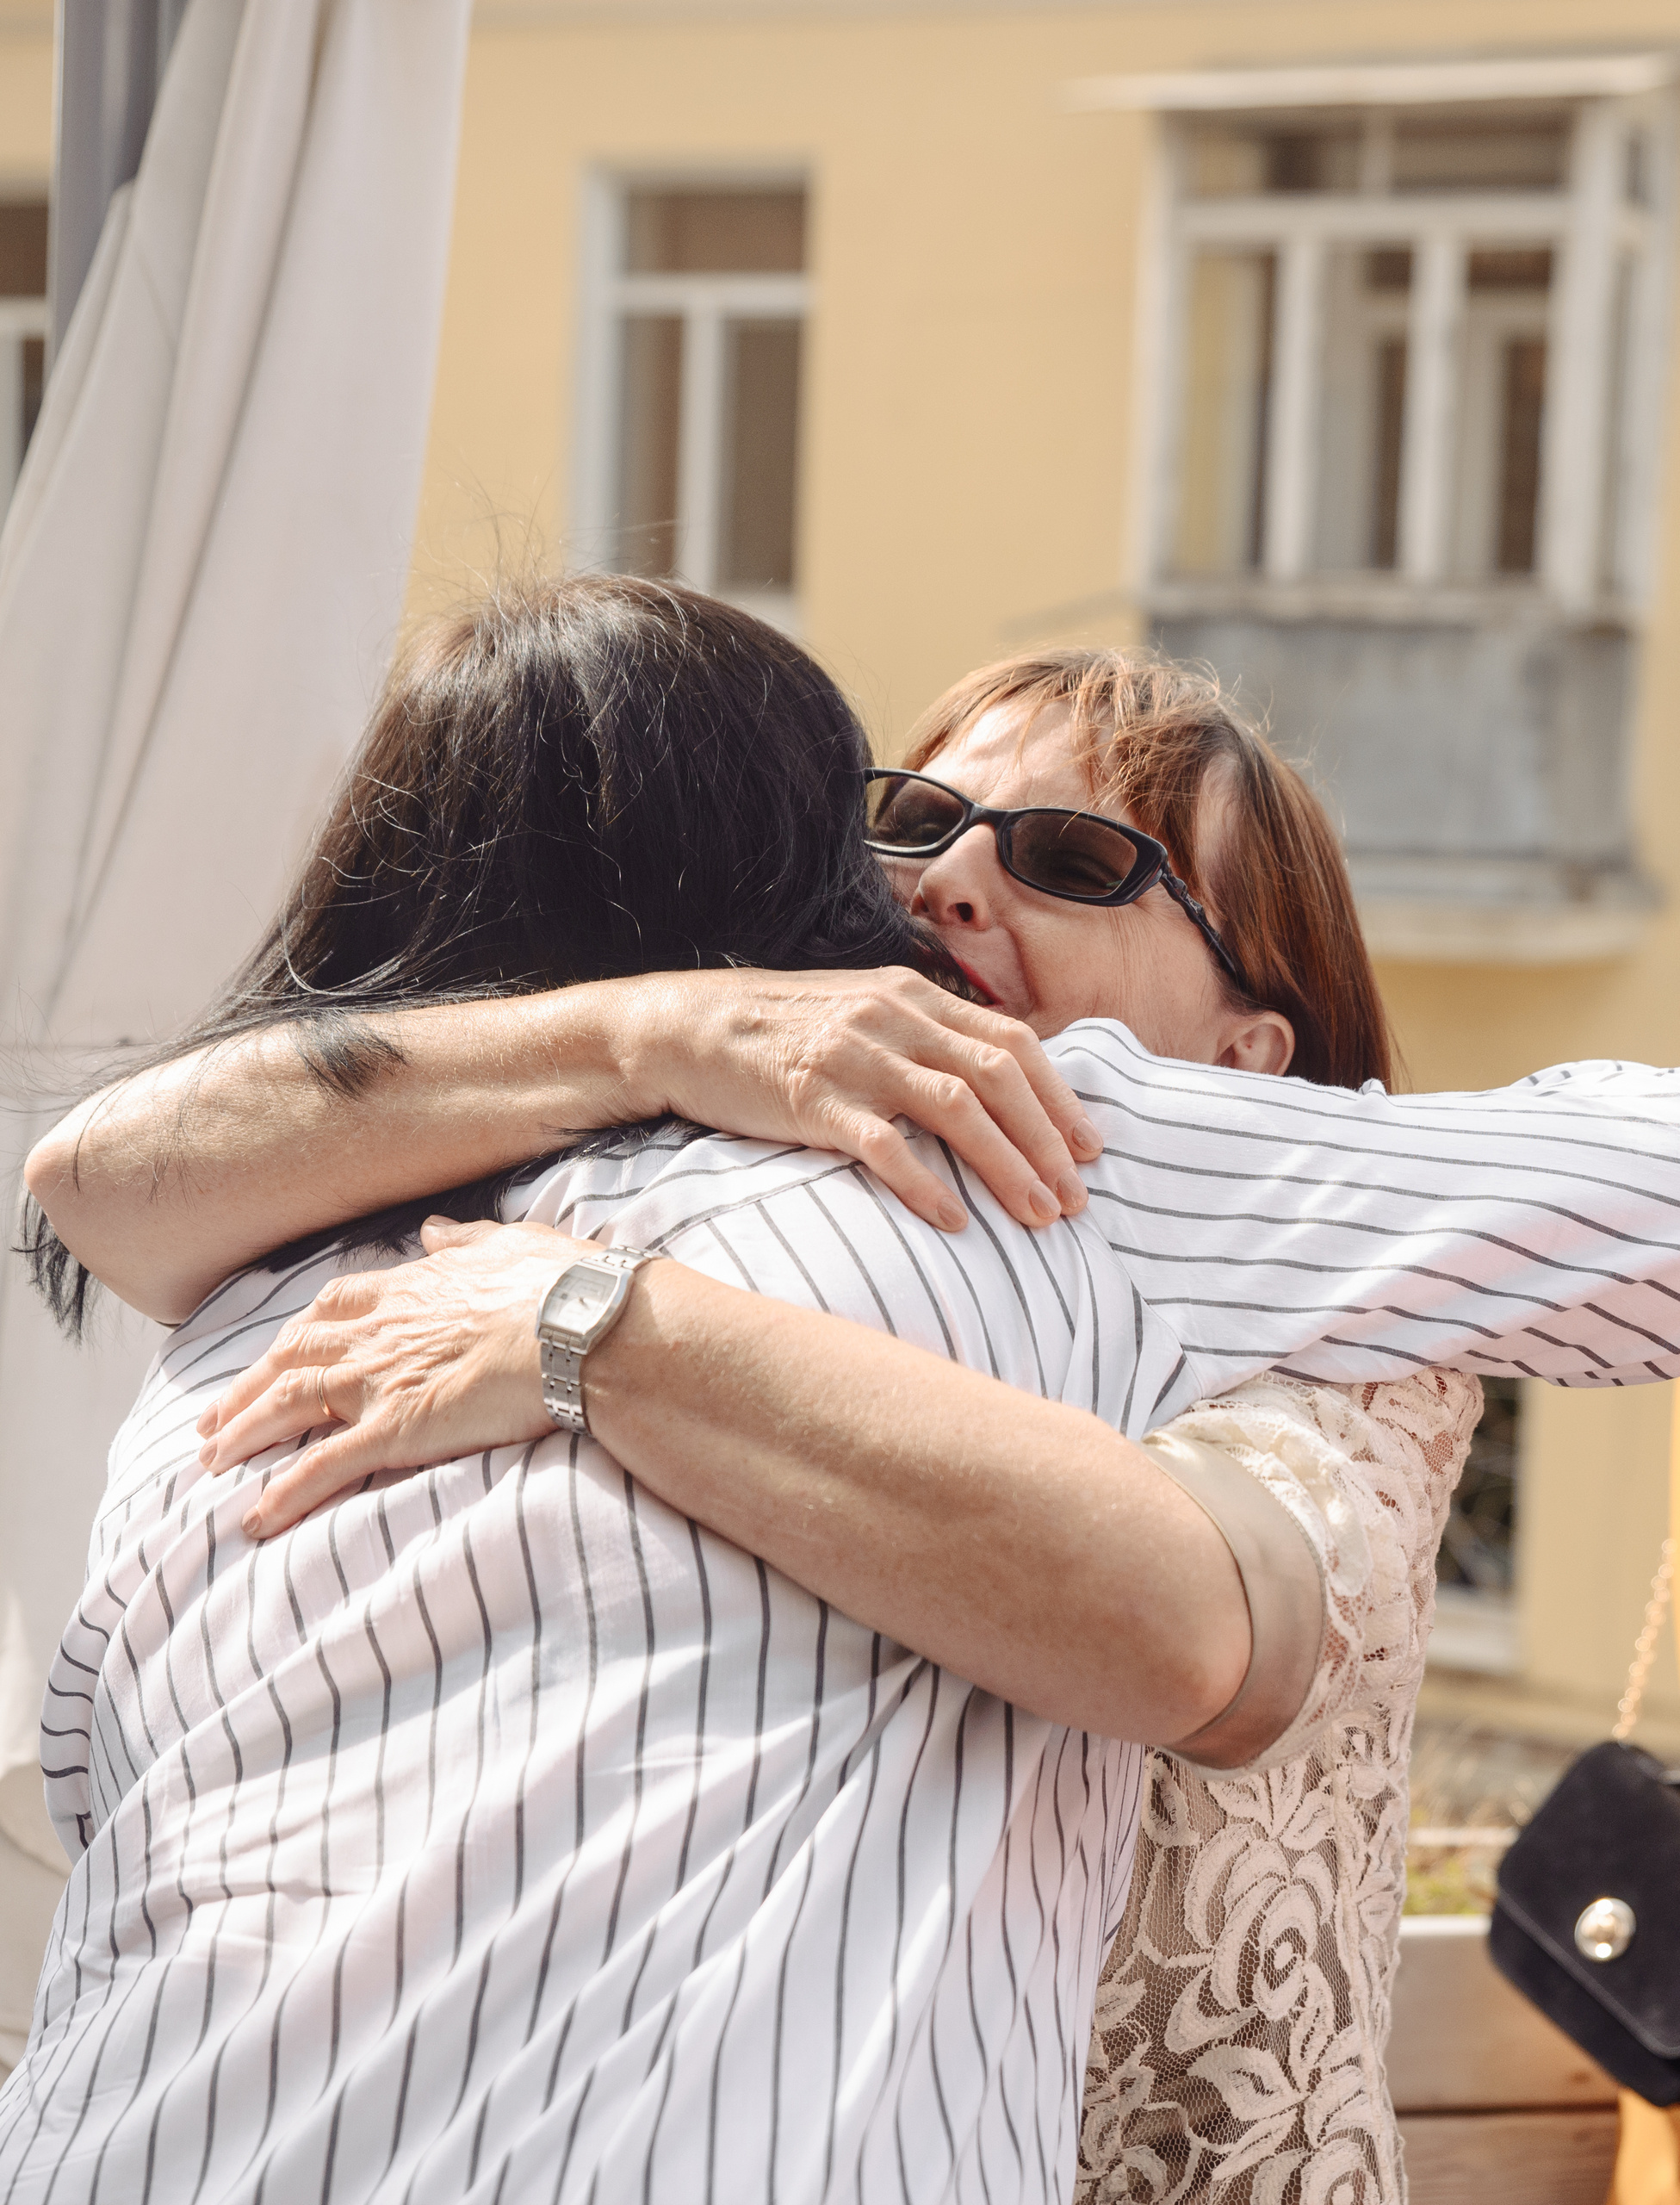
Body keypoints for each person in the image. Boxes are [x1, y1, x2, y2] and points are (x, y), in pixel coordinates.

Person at [16, 612, 1680, 2203]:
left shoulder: (1277, 1292)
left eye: (1076, 861)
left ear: (1249, 1061)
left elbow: (1196, 1626)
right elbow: (87, 1177)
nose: (948, 881)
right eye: (912, 819)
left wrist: (593, 1327)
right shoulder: (700, 1153)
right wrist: (655, 1031)